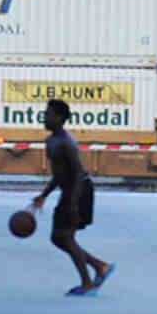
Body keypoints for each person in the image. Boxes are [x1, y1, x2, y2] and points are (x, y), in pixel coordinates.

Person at [29, 98, 113, 296]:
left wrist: (72, 203)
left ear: (60, 118)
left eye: (48, 113)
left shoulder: (67, 142)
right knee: (59, 238)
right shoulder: (51, 141)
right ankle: (100, 267)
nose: (45, 116)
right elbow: (59, 175)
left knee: (64, 237)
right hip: (70, 190)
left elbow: (76, 173)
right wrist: (43, 196)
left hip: (79, 189)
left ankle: (89, 282)